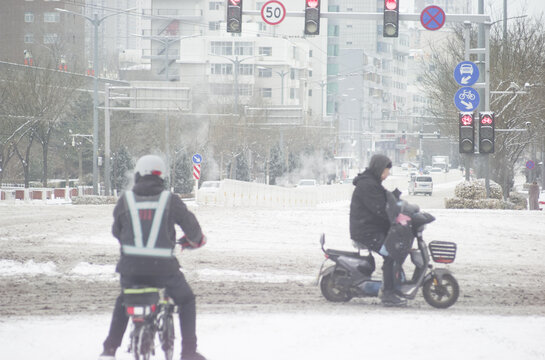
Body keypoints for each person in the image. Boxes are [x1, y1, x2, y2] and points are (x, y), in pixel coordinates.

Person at [99, 155, 207, 360]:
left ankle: (109, 349)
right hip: (164, 271)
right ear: (162, 177)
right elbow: (194, 232)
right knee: (186, 300)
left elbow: (116, 231)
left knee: (124, 300)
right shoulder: (171, 200)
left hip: (130, 271)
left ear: (138, 175)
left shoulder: (125, 200)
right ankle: (189, 352)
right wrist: (195, 240)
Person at [349, 154, 406, 307]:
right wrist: (396, 219)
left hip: (372, 229)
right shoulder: (368, 185)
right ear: (379, 169)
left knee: (394, 252)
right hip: (366, 232)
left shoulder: (373, 183)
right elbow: (380, 209)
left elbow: (383, 202)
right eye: (386, 170)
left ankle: (393, 288)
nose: (387, 174)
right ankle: (388, 294)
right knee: (391, 254)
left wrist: (395, 201)